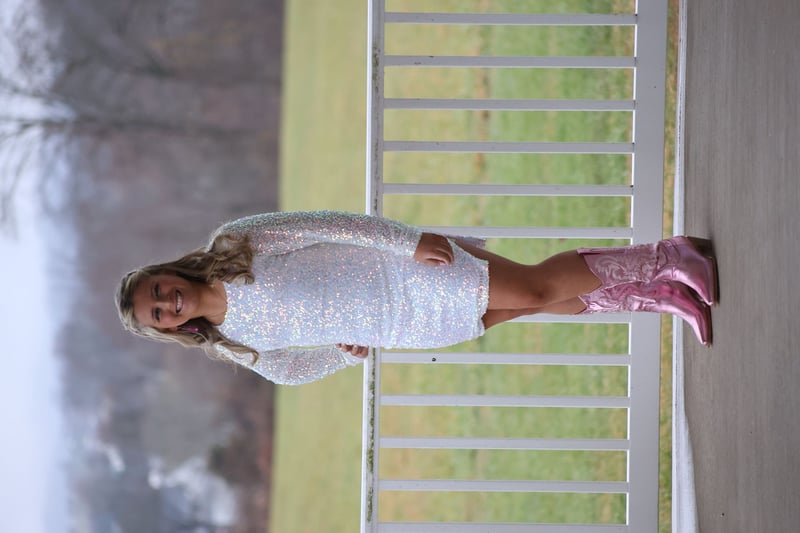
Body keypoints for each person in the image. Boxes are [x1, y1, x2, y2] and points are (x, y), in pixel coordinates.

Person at [116, 210, 717, 385]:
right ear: (166, 329)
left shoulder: (235, 242)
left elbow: (331, 225)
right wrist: (342, 353)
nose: (167, 302)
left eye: (157, 290)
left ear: (165, 272)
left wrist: (408, 241)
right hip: (402, 327)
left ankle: (671, 255)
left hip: (405, 273)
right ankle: (667, 296)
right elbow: (286, 371)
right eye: (157, 313)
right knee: (532, 304)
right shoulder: (226, 343)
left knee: (535, 285)